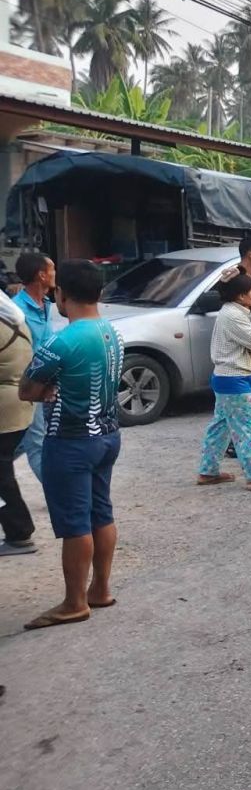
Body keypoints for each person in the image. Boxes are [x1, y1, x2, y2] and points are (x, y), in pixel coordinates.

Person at [20, 260, 123, 630]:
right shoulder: (113, 332)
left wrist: (46, 389)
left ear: (62, 294)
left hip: (70, 441)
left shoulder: (61, 342)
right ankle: (100, 588)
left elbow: (27, 390)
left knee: (75, 522)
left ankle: (75, 602)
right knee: (101, 512)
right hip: (107, 435)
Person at [197, 267, 251, 492]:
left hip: (226, 377)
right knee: (250, 427)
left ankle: (208, 471)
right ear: (241, 295)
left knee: (221, 427)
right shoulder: (235, 316)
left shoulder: (230, 311)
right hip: (235, 378)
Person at [13, 251, 56, 482]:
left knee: (22, 441)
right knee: (37, 444)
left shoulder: (46, 304)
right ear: (41, 275)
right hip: (27, 383)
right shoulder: (16, 311)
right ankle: (60, 495)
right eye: (52, 269)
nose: (55, 273)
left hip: (44, 381)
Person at [0, 288, 36, 556]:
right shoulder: (14, 317)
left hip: (5, 410)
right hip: (19, 406)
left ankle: (20, 532)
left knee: (2, 475)